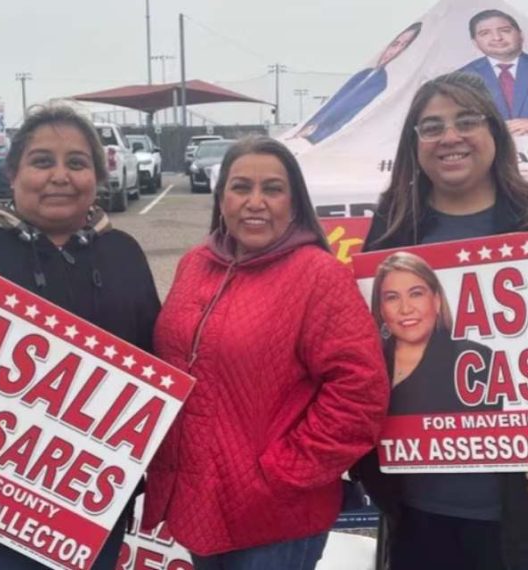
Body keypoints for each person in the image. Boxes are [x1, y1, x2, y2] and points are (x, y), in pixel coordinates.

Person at [355, 71, 528, 570]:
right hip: (416, 506)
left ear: (495, 131)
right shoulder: (394, 226)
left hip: (519, 506)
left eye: (466, 120)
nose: (450, 136)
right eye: (431, 126)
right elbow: (366, 351)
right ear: (414, 143)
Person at [0, 104, 161, 570]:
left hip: (91, 505)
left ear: (97, 176)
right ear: (13, 172)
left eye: (77, 163)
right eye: (43, 161)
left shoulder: (124, 254)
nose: (60, 176)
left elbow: (153, 372)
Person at [142, 135, 390, 569]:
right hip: (200, 505)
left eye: (272, 189)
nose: (255, 202)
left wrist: (284, 473)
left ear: (294, 203)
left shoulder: (318, 275)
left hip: (276, 515)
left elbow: (360, 393)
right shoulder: (195, 263)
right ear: (221, 199)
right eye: (241, 187)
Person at [371, 251, 494, 414]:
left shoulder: (475, 358)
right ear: (381, 309)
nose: (405, 309)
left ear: (437, 300)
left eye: (416, 294)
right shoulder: (369, 360)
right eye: (392, 297)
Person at [296, 22, 423, 145]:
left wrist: (318, 135)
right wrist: (311, 124)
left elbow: (350, 115)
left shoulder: (380, 83)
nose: (395, 51)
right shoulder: (363, 74)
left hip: (322, 136)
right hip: (311, 129)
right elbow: (333, 101)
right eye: (395, 44)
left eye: (403, 46)